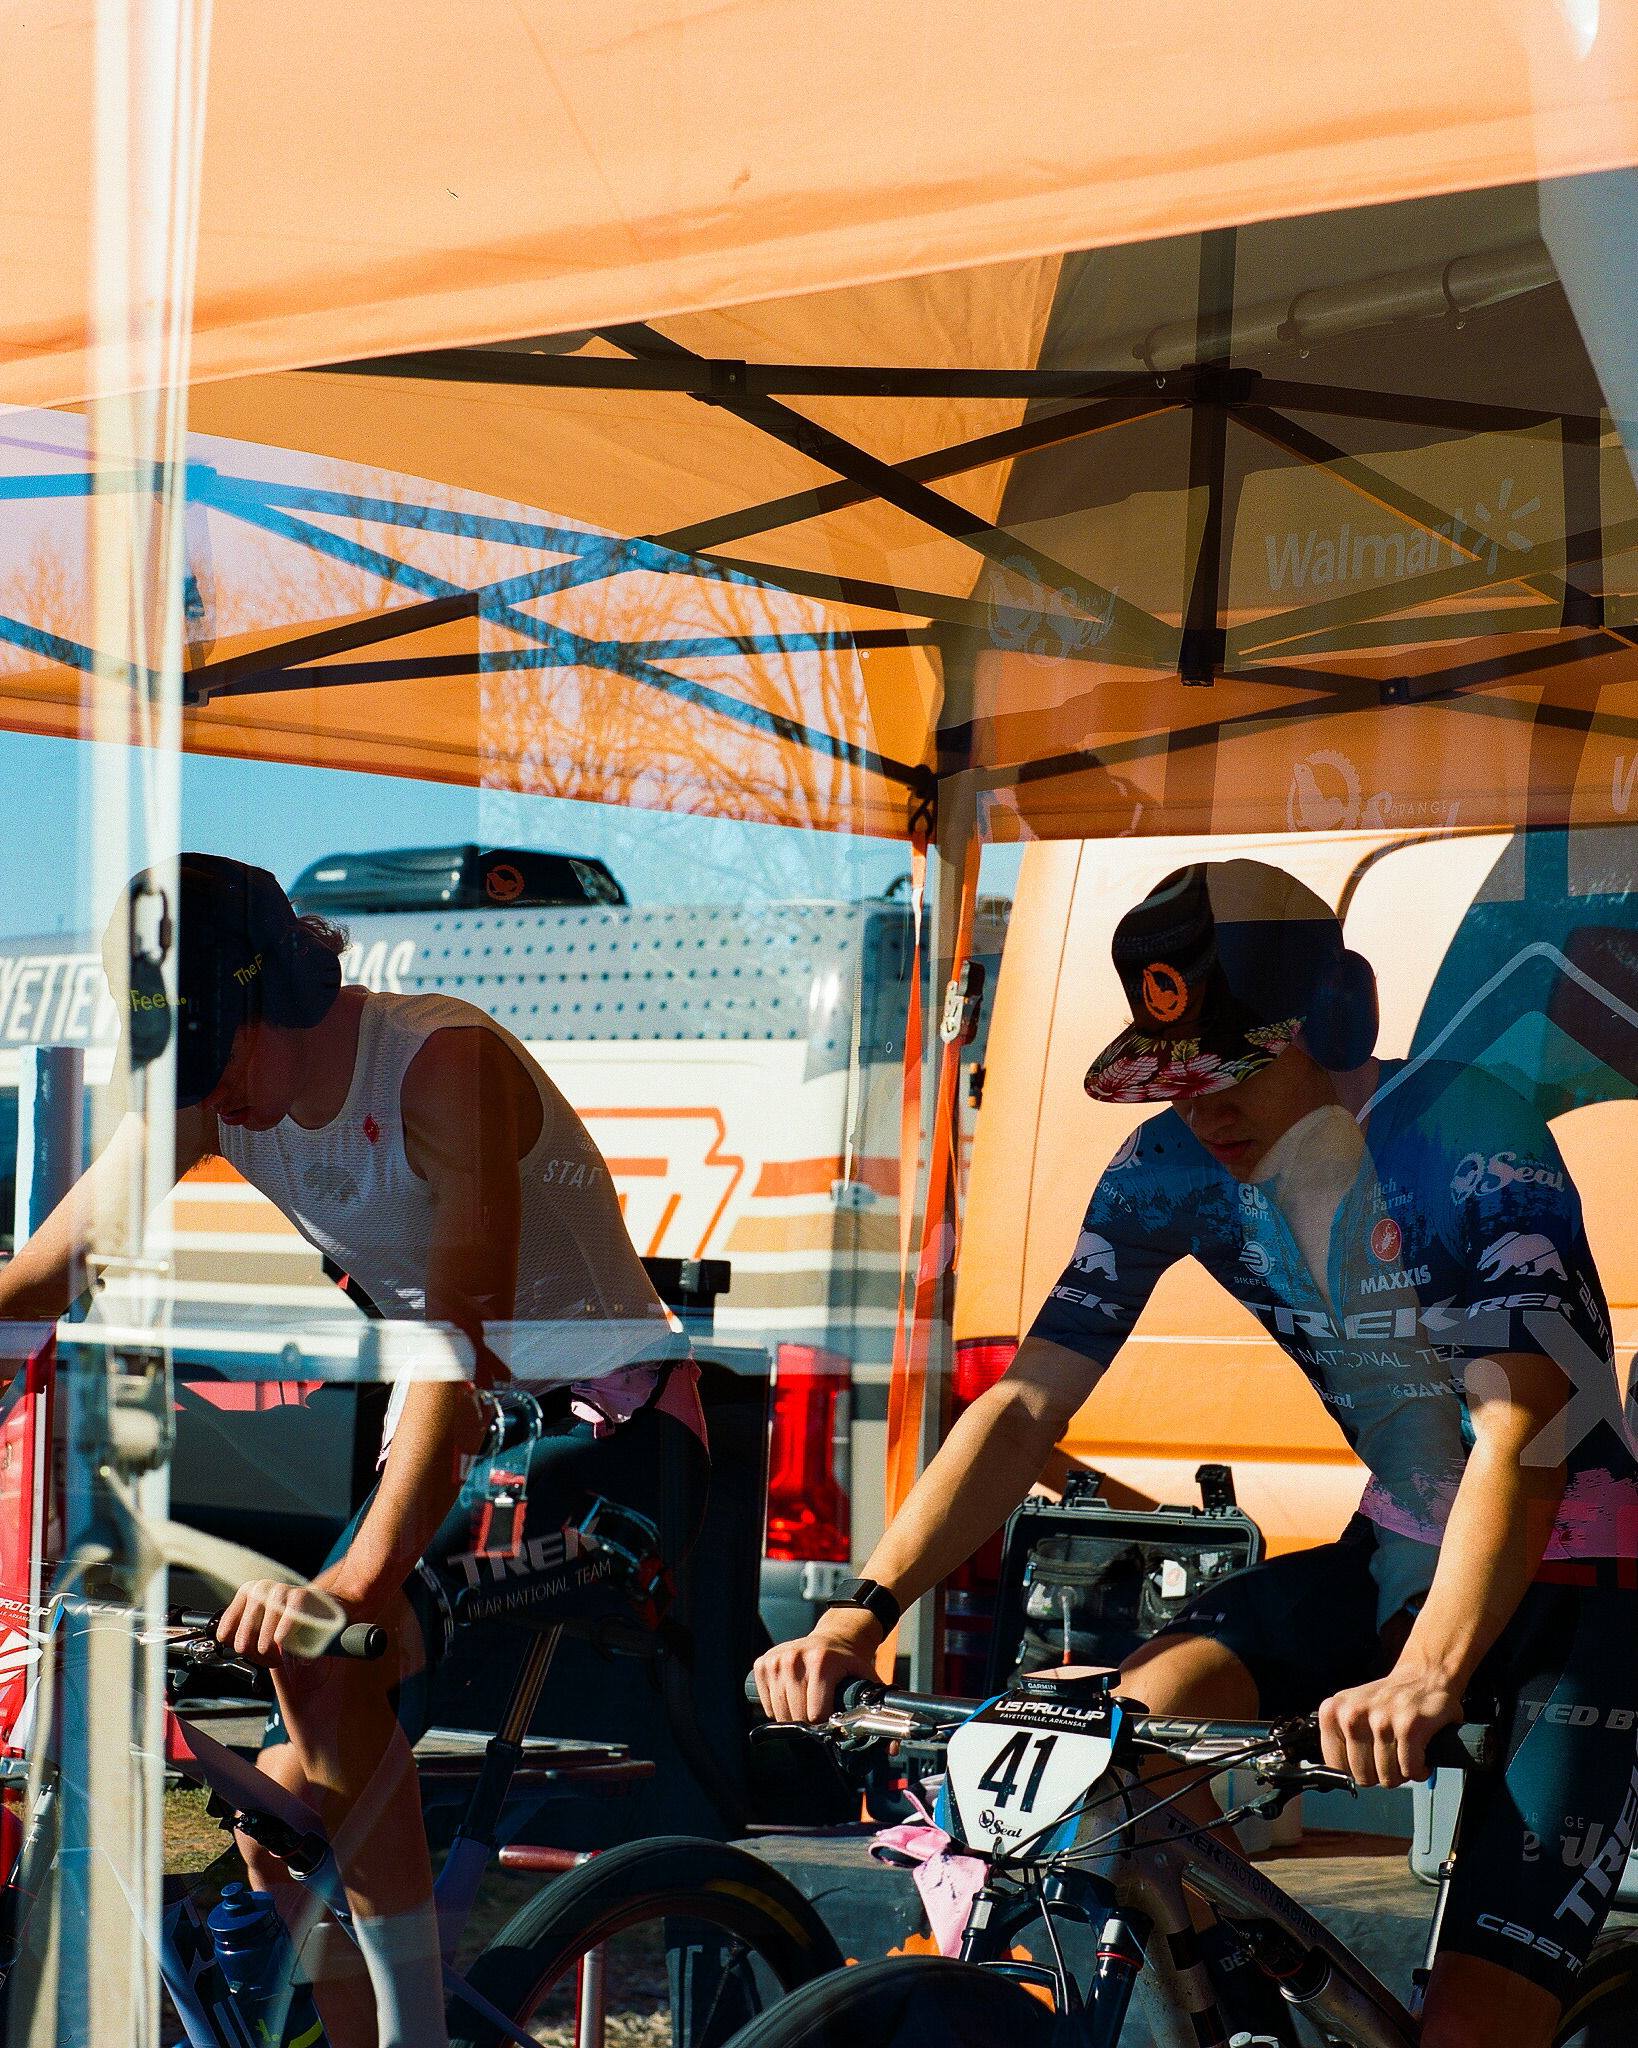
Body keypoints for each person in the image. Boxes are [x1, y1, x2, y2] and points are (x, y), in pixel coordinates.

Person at [755, 859, 1638, 2048]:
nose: (1205, 1109)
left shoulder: (1471, 1134)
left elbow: (1520, 1432)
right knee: (1116, 1747)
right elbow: (1023, 1407)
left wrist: (1428, 1673)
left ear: (1338, 1019)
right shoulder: (1167, 1167)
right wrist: (859, 1610)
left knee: (1475, 2029)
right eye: (1178, 1076)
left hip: (1586, 1584)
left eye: (1236, 1067)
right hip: (1398, 1550)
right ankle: (1243, 2017)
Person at [0, 854, 708, 2048]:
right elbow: (39, 1282)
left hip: (613, 1441)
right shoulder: (218, 1088)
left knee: (326, 1652)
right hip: (464, 1443)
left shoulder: (440, 1064)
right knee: (278, 1820)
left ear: (277, 991)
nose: (210, 1095)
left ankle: (412, 2033)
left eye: (215, 1057)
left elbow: (456, 1345)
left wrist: (356, 1581)